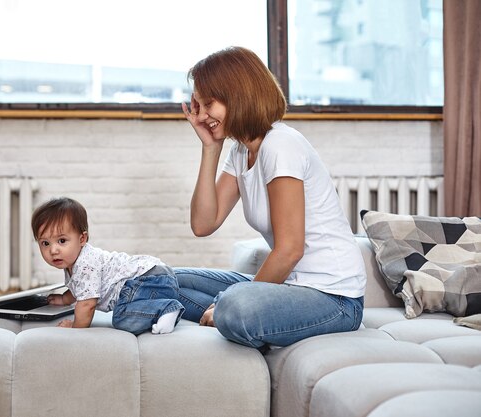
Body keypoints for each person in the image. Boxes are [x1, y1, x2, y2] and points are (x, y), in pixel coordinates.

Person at [176, 46, 366, 349]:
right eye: (197, 105)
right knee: (166, 279)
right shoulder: (241, 150)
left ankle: (226, 312)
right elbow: (203, 224)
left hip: (335, 299)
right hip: (290, 288)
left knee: (237, 308)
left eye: (208, 103)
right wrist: (210, 148)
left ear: (236, 94)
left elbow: (290, 250)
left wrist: (233, 300)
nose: (202, 114)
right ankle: (225, 312)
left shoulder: (281, 145)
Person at [32, 197, 184, 335]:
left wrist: (75, 328)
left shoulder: (85, 264)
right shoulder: (75, 261)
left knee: (121, 317)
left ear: (82, 238)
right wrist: (64, 299)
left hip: (143, 280)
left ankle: (166, 308)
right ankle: (165, 306)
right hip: (155, 276)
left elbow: (86, 304)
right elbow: (81, 288)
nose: (53, 250)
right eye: (45, 243)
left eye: (62, 241)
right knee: (125, 308)